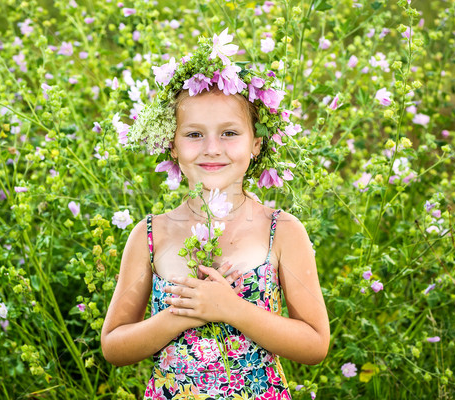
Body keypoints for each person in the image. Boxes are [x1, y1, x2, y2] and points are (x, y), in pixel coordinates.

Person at [101, 29, 329, 399]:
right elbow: (114, 345)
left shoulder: (282, 230)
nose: (211, 149)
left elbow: (315, 344)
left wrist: (230, 309)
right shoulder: (150, 234)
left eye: (229, 133)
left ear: (256, 144)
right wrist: (185, 314)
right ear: (171, 145)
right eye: (193, 135)